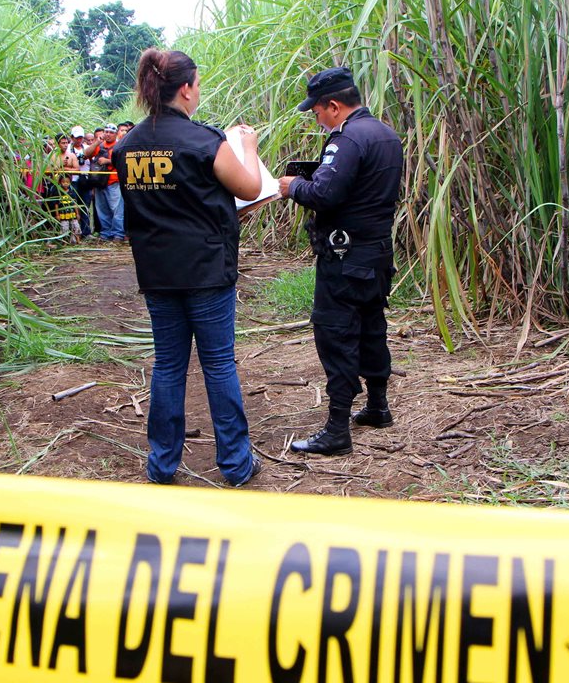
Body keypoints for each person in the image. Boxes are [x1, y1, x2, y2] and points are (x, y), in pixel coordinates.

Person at [112, 47, 263, 486]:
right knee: (218, 364)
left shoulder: (127, 147)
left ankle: (161, 465)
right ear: (184, 89)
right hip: (205, 270)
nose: (198, 92)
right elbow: (250, 186)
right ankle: (235, 465)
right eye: (196, 84)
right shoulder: (204, 141)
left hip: (158, 272)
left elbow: (160, 202)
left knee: (168, 365)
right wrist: (248, 147)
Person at [277, 66, 404, 455]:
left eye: (316, 111)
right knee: (371, 327)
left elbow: (326, 195)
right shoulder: (386, 134)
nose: (316, 118)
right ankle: (378, 407)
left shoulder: (346, 139)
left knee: (336, 335)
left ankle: (336, 429)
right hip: (377, 253)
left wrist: (293, 185)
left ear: (333, 105)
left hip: (344, 257)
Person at [84, 123, 125, 241]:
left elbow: (123, 161)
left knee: (116, 210)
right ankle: (105, 233)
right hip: (99, 183)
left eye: (111, 132)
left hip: (114, 182)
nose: (108, 134)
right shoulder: (100, 145)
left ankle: (118, 234)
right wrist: (97, 142)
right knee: (102, 210)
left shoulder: (119, 146)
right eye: (106, 131)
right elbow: (86, 154)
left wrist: (107, 161)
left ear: (116, 134)